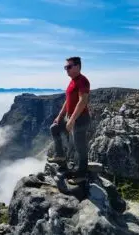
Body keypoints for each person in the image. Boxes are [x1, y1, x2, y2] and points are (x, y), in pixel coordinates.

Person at [47, 56, 91, 184]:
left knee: (80, 147)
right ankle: (60, 156)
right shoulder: (72, 81)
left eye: (69, 67)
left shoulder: (82, 81)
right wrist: (60, 116)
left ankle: (82, 174)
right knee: (54, 128)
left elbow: (83, 101)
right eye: (65, 67)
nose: (66, 69)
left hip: (80, 119)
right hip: (71, 117)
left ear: (77, 66)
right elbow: (68, 101)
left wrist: (71, 120)